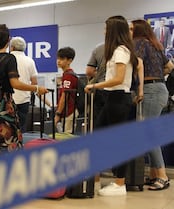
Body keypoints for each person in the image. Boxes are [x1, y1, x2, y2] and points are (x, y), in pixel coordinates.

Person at [85, 15, 139, 196]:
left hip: (118, 98)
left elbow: (118, 79)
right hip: (112, 99)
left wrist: (95, 85)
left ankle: (119, 183)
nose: (104, 31)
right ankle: (97, 177)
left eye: (106, 28)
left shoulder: (121, 51)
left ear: (114, 31)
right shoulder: (117, 50)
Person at [0, 24, 48, 153]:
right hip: (3, 107)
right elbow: (15, 83)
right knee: (10, 140)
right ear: (8, 40)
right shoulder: (9, 58)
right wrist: (36, 88)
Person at [131, 19, 174, 191]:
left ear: (139, 30)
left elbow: (138, 64)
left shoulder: (139, 42)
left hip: (149, 89)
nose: (129, 31)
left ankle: (162, 176)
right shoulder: (155, 45)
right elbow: (170, 67)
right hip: (160, 89)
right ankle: (154, 174)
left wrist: (140, 87)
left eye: (132, 28)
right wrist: (157, 75)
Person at [10, 36, 39, 132]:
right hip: (24, 100)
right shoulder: (30, 61)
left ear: (12, 47)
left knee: (8, 128)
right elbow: (34, 82)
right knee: (21, 127)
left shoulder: (7, 59)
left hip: (8, 100)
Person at [54, 47, 78, 133]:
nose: (58, 61)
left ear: (69, 60)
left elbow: (65, 96)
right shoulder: (65, 75)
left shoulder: (69, 76)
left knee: (67, 138)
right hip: (66, 112)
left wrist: (58, 113)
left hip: (69, 112)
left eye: (62, 59)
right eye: (58, 58)